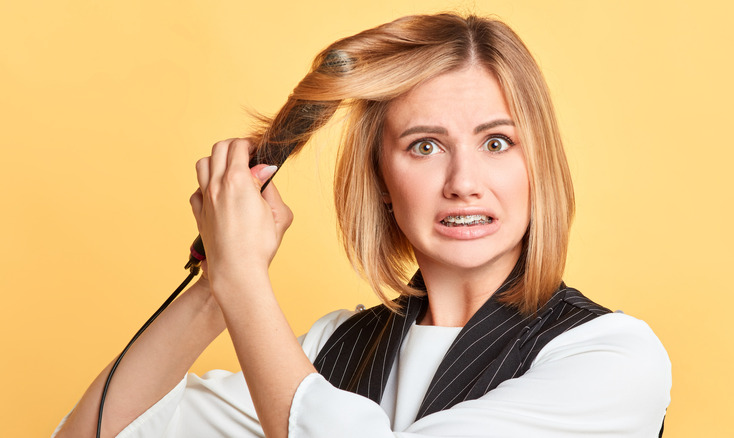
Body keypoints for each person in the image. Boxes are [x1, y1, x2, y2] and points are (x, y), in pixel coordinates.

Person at [53, 13, 671, 438]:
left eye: (498, 142)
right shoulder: (331, 349)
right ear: (379, 181)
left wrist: (245, 284)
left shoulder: (611, 357)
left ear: (540, 163)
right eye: (425, 146)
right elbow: (100, 430)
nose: (463, 181)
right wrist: (219, 282)